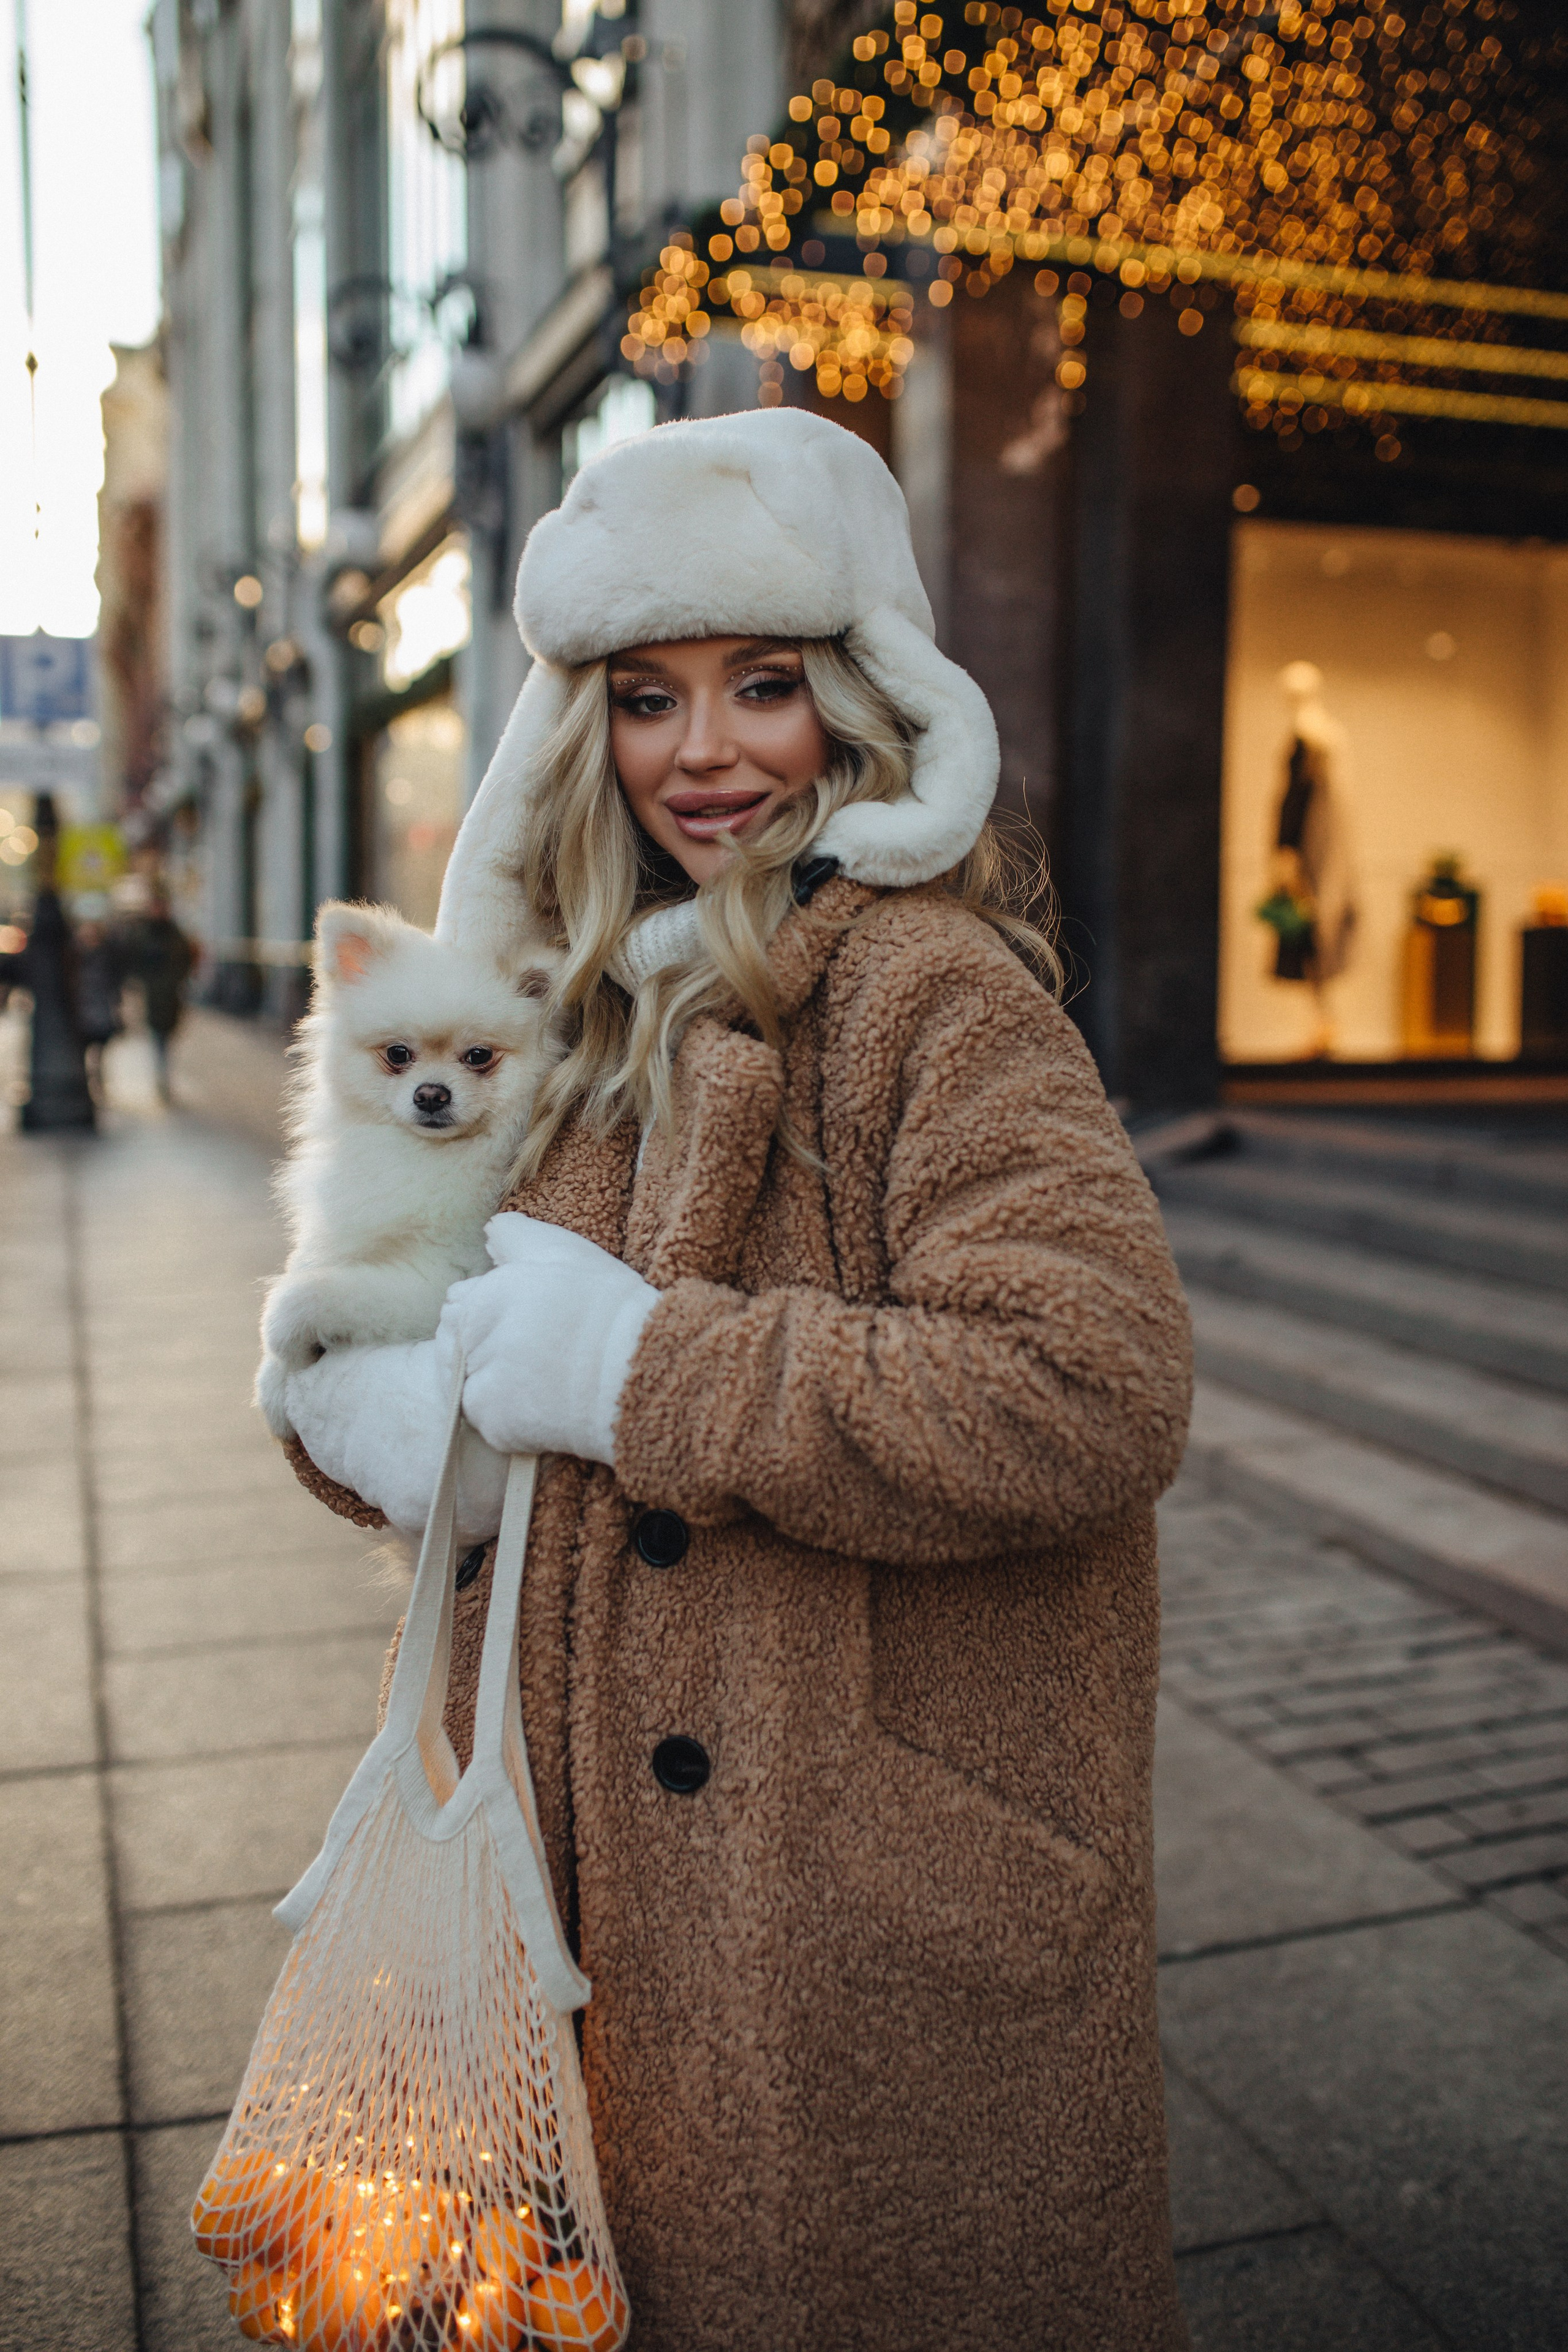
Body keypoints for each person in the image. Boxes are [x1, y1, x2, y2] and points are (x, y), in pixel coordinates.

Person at [279, 410, 1194, 2350]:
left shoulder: (928, 991)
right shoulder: (575, 1007)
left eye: (762, 686)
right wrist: (370, 1410)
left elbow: (1089, 1382)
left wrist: (646, 1372)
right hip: (576, 1900)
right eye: (646, 697)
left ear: (864, 701)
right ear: (577, 731)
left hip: (851, 1917)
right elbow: (439, 1330)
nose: (703, 752)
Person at [128, 886, 193, 1101]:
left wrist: (177, 980)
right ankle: (162, 1078)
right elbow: (134, 961)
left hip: (170, 995)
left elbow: (186, 958)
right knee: (157, 1038)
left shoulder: (174, 934)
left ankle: (163, 1076)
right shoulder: (143, 934)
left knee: (167, 1037)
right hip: (153, 995)